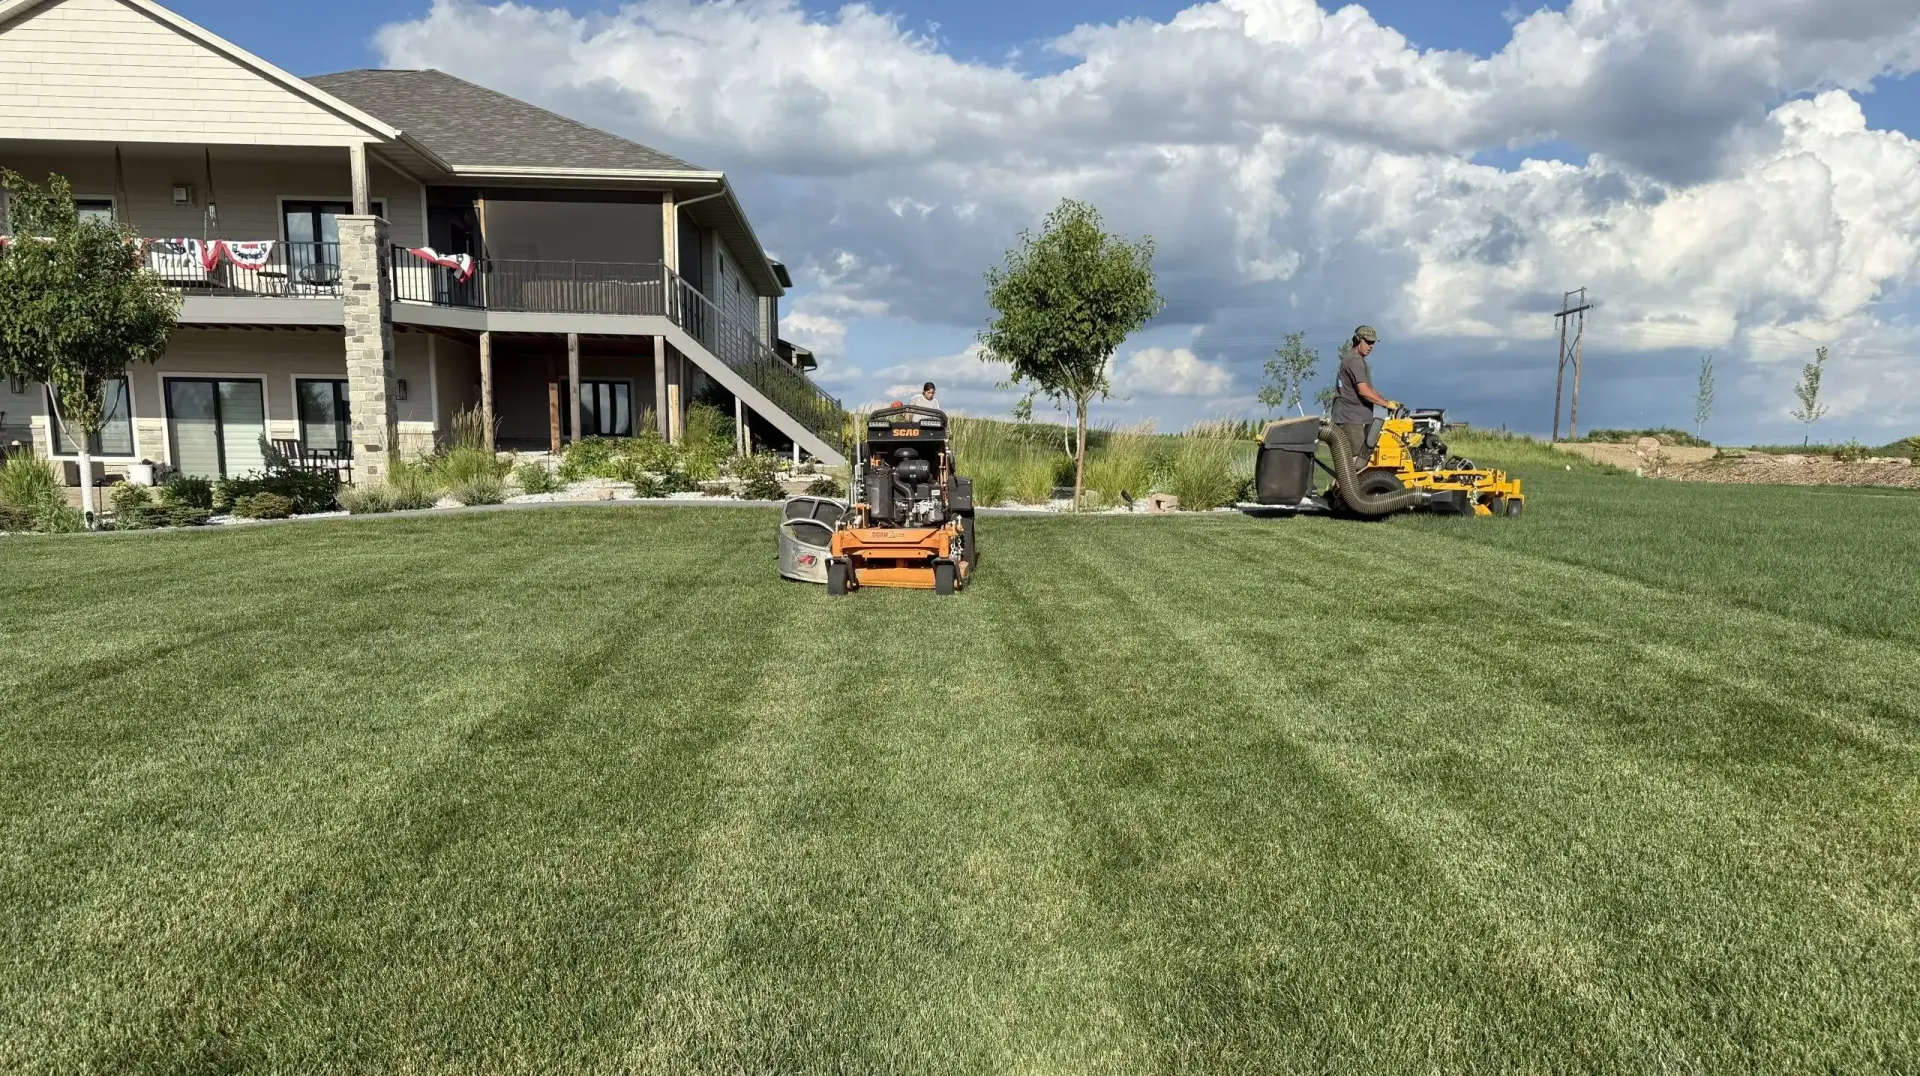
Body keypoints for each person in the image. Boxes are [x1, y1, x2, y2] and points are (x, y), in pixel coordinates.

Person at [1331, 325, 1400, 469]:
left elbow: (1370, 389)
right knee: (1354, 465)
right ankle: (1342, 492)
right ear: (1357, 340)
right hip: (1350, 419)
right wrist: (1386, 405)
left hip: (1354, 418)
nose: (1370, 346)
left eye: (1373, 343)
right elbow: (1363, 391)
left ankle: (1340, 491)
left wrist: (1386, 401)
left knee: (1352, 466)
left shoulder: (1357, 360)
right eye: (1367, 342)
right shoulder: (1354, 361)